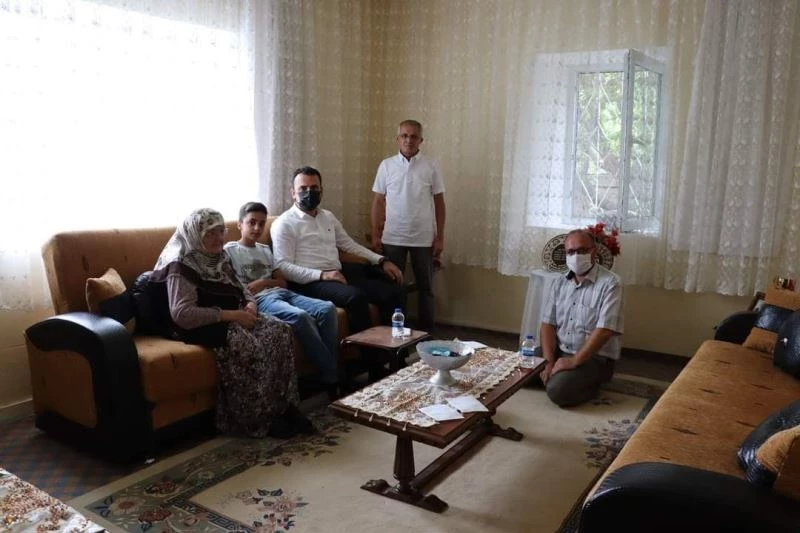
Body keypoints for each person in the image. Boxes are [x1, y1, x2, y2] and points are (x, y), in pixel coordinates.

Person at [150, 208, 312, 438]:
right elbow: (182, 314)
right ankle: (257, 420)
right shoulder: (181, 264)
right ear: (195, 234)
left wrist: (250, 303)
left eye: (220, 231)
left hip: (228, 313)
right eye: (210, 233)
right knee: (247, 344)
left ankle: (285, 407)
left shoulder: (220, 257)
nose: (218, 238)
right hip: (195, 324)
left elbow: (240, 286)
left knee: (280, 331)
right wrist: (233, 315)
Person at [271, 166, 406, 341]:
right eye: (303, 188)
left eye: (314, 188)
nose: (309, 192)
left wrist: (382, 260)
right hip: (308, 282)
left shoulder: (327, 216)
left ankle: (396, 349)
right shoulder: (284, 223)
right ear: (293, 193)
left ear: (321, 191)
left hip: (337, 274)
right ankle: (371, 356)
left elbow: (349, 245)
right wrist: (322, 275)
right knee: (355, 298)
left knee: (393, 287)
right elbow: (283, 267)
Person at [224, 201, 340, 400]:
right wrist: (258, 289)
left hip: (281, 292)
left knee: (328, 308)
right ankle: (333, 377)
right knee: (300, 316)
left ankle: (329, 372)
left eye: (261, 224)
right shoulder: (229, 251)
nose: (257, 228)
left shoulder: (265, 250)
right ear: (240, 224)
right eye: (252, 222)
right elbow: (231, 286)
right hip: (260, 300)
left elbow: (282, 282)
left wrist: (263, 282)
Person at [371, 119, 445, 332]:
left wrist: (440, 237)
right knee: (394, 287)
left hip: (423, 238)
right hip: (393, 237)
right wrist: (375, 234)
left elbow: (439, 203)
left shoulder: (431, 166)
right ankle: (395, 333)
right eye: (404, 135)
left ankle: (426, 335)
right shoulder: (386, 165)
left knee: (426, 288)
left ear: (421, 140)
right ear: (398, 139)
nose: (408, 140)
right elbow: (378, 201)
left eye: (413, 136)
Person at [538, 229, 624, 407]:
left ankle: (589, 384)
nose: (576, 256)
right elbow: (548, 324)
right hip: (561, 350)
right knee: (519, 368)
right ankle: (558, 376)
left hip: (594, 358)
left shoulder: (611, 283)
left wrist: (574, 361)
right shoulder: (559, 282)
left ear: (594, 251)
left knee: (558, 391)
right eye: (571, 252)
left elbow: (604, 331)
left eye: (582, 250)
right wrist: (549, 361)